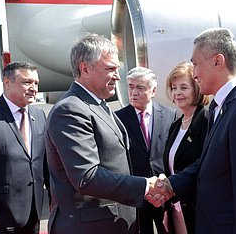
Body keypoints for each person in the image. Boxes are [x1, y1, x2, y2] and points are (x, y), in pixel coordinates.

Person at [154, 28, 236, 233]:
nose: (194, 73)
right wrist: (171, 184)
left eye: (196, 64)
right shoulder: (222, 106)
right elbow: (210, 164)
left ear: (217, 61)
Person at [45, 34, 172, 234]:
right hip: (89, 227)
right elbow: (86, 176)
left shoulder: (98, 105)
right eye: (110, 69)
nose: (118, 76)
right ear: (84, 68)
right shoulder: (70, 110)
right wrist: (145, 187)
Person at [0, 61, 49, 234]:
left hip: (32, 217)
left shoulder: (39, 115)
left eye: (36, 83)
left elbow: (43, 163)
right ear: (7, 82)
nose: (33, 88)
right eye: (27, 82)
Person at [115, 66, 177, 234]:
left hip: (165, 192)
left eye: (140, 88)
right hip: (136, 195)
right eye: (131, 87)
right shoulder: (117, 119)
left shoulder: (171, 115)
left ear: (153, 90)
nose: (134, 92)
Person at [162, 62, 209, 234]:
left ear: (196, 89)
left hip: (199, 209)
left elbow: (205, 163)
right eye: (174, 88)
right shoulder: (176, 124)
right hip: (177, 208)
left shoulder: (206, 119)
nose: (177, 93)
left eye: (184, 87)